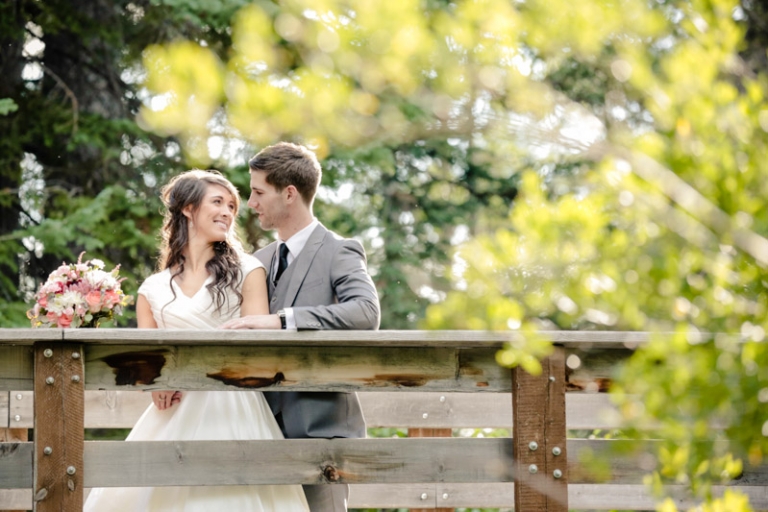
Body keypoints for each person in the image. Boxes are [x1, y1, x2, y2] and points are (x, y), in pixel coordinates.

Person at [84, 170, 309, 512]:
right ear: (188, 209)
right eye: (217, 202)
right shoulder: (152, 289)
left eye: (232, 206)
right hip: (171, 413)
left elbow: (258, 348)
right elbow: (148, 358)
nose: (228, 212)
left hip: (232, 408)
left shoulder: (249, 271)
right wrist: (154, 383)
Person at [220, 142, 381, 512]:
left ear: (289, 194)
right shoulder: (257, 261)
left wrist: (282, 320)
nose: (251, 201)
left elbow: (366, 313)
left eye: (258, 191)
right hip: (257, 432)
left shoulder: (340, 251)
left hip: (321, 435)